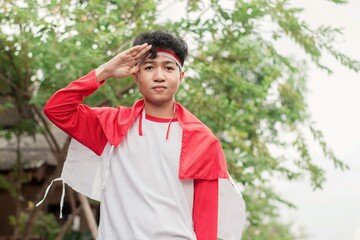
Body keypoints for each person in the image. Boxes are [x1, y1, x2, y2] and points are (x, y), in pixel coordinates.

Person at [39, 30, 246, 239]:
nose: (159, 76)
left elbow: (206, 219)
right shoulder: (112, 126)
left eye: (168, 68)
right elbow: (57, 109)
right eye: (149, 67)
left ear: (180, 76)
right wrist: (105, 71)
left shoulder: (202, 139)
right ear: (136, 76)